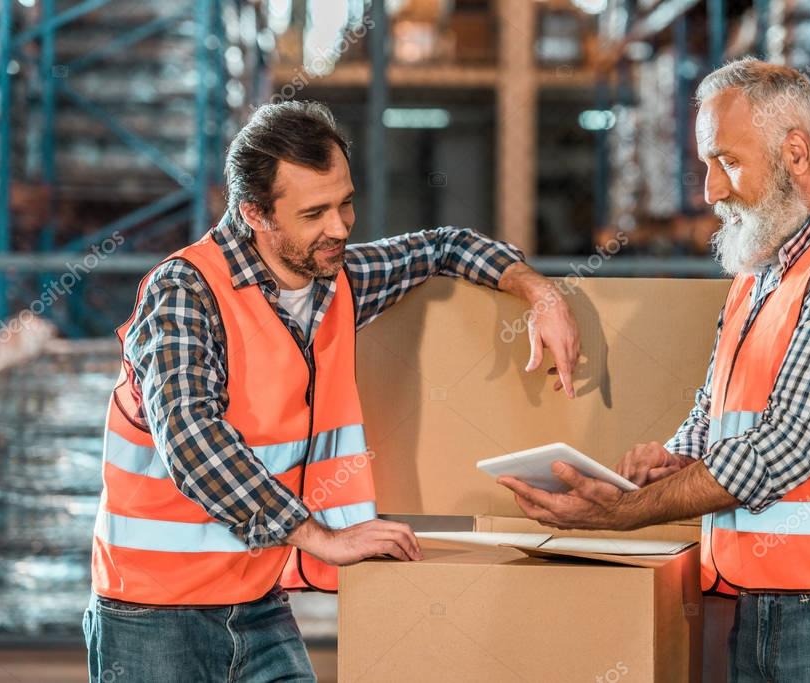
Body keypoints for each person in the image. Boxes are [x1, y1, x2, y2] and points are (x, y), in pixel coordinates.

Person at [84, 100, 581, 682]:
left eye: (346, 203)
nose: (340, 228)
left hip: (259, 602)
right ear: (255, 214)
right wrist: (321, 537)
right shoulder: (185, 293)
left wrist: (539, 293)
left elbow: (444, 247)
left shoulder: (336, 279)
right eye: (314, 212)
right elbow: (192, 442)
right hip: (153, 614)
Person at [499, 57, 810, 682]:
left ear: (796, 153)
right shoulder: (765, 272)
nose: (710, 190)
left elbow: (788, 441)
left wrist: (627, 513)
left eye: (727, 162)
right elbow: (719, 412)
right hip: (766, 602)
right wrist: (675, 460)